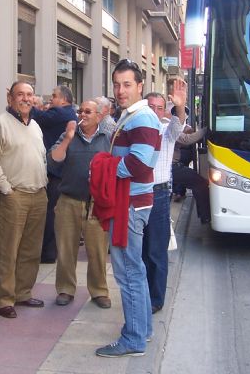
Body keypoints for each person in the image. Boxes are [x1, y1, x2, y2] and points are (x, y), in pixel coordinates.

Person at [94, 59, 161, 358]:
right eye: (117, 84)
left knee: (128, 272)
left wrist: (101, 168)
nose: (120, 90)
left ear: (140, 86)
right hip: (132, 202)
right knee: (136, 269)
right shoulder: (132, 115)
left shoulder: (142, 117)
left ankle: (133, 339)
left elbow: (140, 163)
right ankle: (142, 330)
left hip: (130, 205)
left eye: (127, 84)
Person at [0, 81, 48, 319]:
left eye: (30, 94)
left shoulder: (36, 126)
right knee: (8, 250)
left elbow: (41, 157)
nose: (26, 99)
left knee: (31, 250)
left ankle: (22, 292)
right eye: (20, 94)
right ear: (10, 98)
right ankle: (3, 299)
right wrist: (6, 190)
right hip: (14, 195)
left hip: (38, 194)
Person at [48, 100, 112, 309]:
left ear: (99, 116)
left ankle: (99, 290)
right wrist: (67, 137)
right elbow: (54, 159)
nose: (82, 114)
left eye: (88, 111)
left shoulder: (108, 138)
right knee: (66, 249)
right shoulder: (68, 135)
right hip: (69, 200)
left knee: (97, 250)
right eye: (80, 111)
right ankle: (65, 289)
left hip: (96, 204)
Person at [142, 90, 186, 316]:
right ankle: (141, 294)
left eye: (160, 108)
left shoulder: (165, 130)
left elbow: (177, 128)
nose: (156, 112)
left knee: (156, 250)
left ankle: (156, 299)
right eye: (151, 107)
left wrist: (179, 106)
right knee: (139, 250)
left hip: (158, 195)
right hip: (137, 193)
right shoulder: (136, 128)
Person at [31, 85, 78, 263]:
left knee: (50, 213)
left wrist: (28, 103)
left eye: (54, 96)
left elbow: (38, 116)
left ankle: (48, 252)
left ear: (64, 100)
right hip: (57, 169)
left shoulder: (62, 113)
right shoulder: (64, 113)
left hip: (56, 170)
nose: (51, 99)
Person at [171, 122, 211, 223]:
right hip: (171, 166)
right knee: (200, 183)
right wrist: (207, 128)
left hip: (173, 165)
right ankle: (205, 216)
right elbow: (187, 139)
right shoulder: (166, 125)